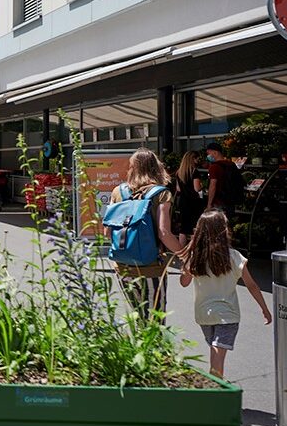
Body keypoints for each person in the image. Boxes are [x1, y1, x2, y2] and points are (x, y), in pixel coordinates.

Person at [180, 210, 271, 378]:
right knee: (217, 357)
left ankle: (215, 386)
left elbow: (184, 283)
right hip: (228, 315)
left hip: (204, 315)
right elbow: (252, 285)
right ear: (224, 231)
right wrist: (264, 309)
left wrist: (190, 255)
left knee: (216, 352)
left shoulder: (196, 257)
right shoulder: (235, 256)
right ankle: (214, 390)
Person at [105, 148, 184, 320]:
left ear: (133, 168)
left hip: (123, 266)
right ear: (156, 168)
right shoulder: (161, 193)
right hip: (151, 267)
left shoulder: (118, 192)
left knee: (137, 318)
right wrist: (185, 256)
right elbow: (164, 232)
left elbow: (107, 232)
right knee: (154, 321)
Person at [171, 151, 204, 243]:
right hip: (193, 202)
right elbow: (197, 188)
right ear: (193, 159)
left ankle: (182, 252)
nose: (198, 161)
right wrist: (202, 186)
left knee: (184, 229)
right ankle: (193, 251)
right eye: (197, 158)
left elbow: (178, 189)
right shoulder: (194, 172)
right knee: (194, 227)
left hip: (183, 201)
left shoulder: (179, 172)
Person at [205, 143, 241, 221]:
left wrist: (209, 204)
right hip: (231, 200)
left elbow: (213, 186)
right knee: (228, 224)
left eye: (208, 153)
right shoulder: (231, 164)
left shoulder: (214, 167)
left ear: (215, 152)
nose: (208, 156)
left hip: (219, 201)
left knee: (218, 226)